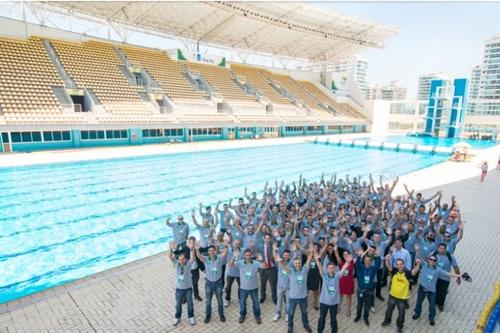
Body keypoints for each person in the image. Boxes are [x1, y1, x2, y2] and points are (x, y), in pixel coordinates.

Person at [411, 252, 462, 326]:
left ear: (436, 262)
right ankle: (417, 313)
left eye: (434, 260)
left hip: (431, 291)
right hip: (422, 289)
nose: (432, 261)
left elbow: (448, 274)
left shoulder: (438, 270)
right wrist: (417, 250)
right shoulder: (424, 265)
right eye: (431, 259)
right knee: (419, 303)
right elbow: (419, 256)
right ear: (428, 260)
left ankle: (431, 318)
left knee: (432, 305)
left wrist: (460, 275)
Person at [280, 244, 314, 333]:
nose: (298, 264)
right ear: (294, 264)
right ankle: (290, 327)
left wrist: (311, 252)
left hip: (303, 297)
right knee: (291, 314)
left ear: (301, 263)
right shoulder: (291, 271)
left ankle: (306, 324)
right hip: (293, 298)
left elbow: (309, 259)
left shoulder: (305, 270)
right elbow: (284, 266)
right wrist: (280, 260)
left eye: (299, 263)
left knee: (304, 312)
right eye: (296, 263)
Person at [315, 251, 352, 333]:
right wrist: (317, 260)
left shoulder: (337, 276)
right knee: (322, 318)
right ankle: (319, 331)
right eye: (329, 268)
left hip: (334, 303)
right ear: (327, 269)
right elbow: (320, 268)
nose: (331, 269)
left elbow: (343, 269)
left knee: (333, 320)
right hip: (323, 302)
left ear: (335, 268)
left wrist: (347, 262)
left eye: (332, 268)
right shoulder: (324, 276)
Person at [381, 257, 419, 333]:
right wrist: (387, 260)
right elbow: (388, 267)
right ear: (396, 265)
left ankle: (400, 327)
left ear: (403, 264)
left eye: (401, 264)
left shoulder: (407, 273)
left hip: (402, 299)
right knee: (389, 311)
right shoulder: (394, 271)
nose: (399, 266)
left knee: (401, 314)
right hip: (392, 296)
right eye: (398, 264)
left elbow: (414, 272)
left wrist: (418, 264)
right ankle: (387, 321)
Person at [195, 240, 228, 324]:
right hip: (209, 283)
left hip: (218, 283)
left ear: (215, 251)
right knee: (208, 301)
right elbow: (199, 256)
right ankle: (208, 315)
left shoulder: (219, 257)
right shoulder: (206, 259)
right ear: (208, 252)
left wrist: (226, 246)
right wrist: (197, 249)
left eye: (213, 250)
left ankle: (221, 315)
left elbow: (225, 253)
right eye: (210, 251)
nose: (211, 252)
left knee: (220, 300)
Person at [229, 248, 263, 324]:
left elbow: (265, 266)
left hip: (254, 288)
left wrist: (262, 259)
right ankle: (242, 316)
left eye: (249, 255)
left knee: (256, 303)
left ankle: (257, 316)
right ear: (244, 255)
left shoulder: (255, 262)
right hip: (243, 288)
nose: (248, 257)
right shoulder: (240, 262)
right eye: (246, 255)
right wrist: (233, 256)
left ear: (251, 255)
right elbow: (230, 265)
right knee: (242, 303)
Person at [169, 241, 196, 326]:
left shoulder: (188, 264)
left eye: (182, 259)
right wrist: (170, 248)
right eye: (180, 259)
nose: (181, 261)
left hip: (188, 289)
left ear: (185, 259)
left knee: (190, 304)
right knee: (178, 305)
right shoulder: (176, 264)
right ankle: (177, 317)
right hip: (179, 289)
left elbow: (192, 258)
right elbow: (170, 257)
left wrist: (192, 250)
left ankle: (191, 317)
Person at [353, 247, 381, 327]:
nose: (368, 262)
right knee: (359, 305)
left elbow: (378, 264)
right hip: (360, 290)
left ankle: (366, 317)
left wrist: (377, 256)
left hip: (369, 291)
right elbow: (357, 263)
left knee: (367, 305)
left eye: (369, 261)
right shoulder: (360, 268)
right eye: (366, 260)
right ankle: (358, 316)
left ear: (371, 261)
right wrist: (359, 256)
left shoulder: (373, 269)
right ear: (364, 260)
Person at [433, 243, 461, 312]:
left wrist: (458, 277)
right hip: (435, 277)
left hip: (445, 279)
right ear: (438, 248)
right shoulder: (434, 254)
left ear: (446, 249)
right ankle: (434, 301)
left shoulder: (450, 257)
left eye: (443, 248)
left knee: (443, 293)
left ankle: (440, 304)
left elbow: (455, 267)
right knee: (435, 290)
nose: (441, 250)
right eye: (440, 248)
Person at [257, 233, 278, 304]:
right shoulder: (260, 246)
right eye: (266, 238)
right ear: (264, 239)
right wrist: (262, 262)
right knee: (263, 284)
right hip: (263, 269)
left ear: (271, 239)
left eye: (269, 238)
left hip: (272, 269)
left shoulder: (273, 246)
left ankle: (274, 297)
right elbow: (258, 255)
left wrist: (277, 236)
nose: (267, 240)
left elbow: (279, 240)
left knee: (273, 284)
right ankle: (263, 296)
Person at [273, 244, 291, 322]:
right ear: (283, 255)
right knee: (279, 301)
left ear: (289, 256)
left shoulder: (292, 263)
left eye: (287, 255)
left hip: (288, 287)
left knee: (288, 302)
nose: (286, 256)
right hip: (280, 286)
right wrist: (274, 249)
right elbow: (275, 256)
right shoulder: (279, 262)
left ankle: (287, 314)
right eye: (285, 255)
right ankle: (278, 313)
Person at [224, 239, 242, 307]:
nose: (236, 245)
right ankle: (227, 299)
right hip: (230, 273)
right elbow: (229, 264)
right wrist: (234, 256)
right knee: (228, 287)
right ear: (233, 243)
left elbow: (251, 251)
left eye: (238, 244)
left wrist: (252, 246)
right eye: (235, 243)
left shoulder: (242, 251)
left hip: (239, 273)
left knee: (241, 287)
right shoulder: (229, 250)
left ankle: (240, 299)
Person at [338, 249, 355, 316]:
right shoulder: (341, 261)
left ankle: (348, 309)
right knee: (340, 295)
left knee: (349, 296)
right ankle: (339, 307)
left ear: (349, 255)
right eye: (344, 254)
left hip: (349, 282)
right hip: (342, 281)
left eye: (346, 254)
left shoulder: (352, 261)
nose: (345, 255)